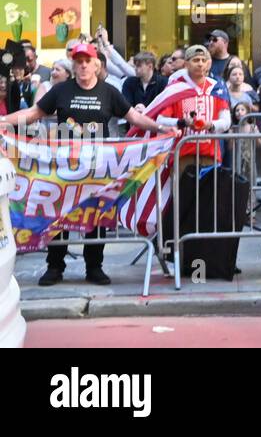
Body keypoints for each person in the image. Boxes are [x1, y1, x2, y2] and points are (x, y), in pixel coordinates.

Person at [1, 42, 167, 286]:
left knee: (96, 215)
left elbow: (134, 117)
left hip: (98, 169)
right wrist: (4, 121)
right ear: (74, 65)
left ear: (96, 64)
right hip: (63, 167)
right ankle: (55, 266)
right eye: (78, 61)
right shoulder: (61, 90)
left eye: (87, 61)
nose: (83, 65)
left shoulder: (109, 92)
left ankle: (94, 267)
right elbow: (35, 113)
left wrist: (160, 127)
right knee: (60, 214)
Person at [148, 44, 233, 173]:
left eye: (203, 60)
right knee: (183, 193)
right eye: (196, 60)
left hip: (210, 156)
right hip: (182, 156)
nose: (200, 64)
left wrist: (210, 125)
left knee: (210, 193)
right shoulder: (175, 89)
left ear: (208, 64)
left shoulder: (216, 88)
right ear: (186, 64)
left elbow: (226, 121)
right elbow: (160, 120)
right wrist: (182, 122)